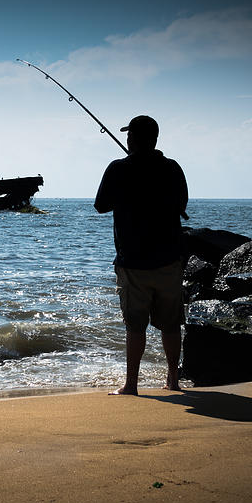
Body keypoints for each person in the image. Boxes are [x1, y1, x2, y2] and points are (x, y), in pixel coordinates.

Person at [94, 115, 188, 395]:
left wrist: (126, 187)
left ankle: (131, 385)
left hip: (132, 262)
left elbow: (100, 205)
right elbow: (181, 203)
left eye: (130, 135)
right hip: (169, 259)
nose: (127, 139)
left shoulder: (118, 168)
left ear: (134, 139)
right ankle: (173, 380)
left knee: (136, 326)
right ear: (155, 139)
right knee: (171, 324)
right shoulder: (172, 168)